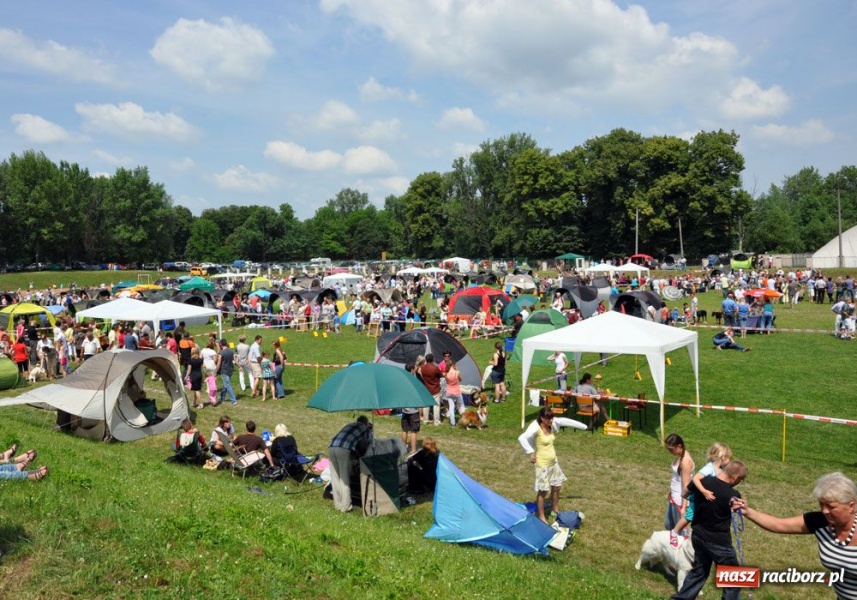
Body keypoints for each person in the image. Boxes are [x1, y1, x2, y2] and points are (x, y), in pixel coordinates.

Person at [731, 472, 857, 599]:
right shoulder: (820, 522)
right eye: (821, 504)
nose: (824, 511)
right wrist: (748, 512)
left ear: (851, 506)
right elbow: (778, 524)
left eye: (831, 506)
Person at [670, 460, 749, 600]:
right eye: (741, 480)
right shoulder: (733, 495)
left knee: (698, 572)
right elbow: (736, 510)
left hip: (698, 536)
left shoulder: (703, 482)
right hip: (719, 543)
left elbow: (685, 493)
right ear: (736, 477)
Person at [518, 407, 587, 523]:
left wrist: (584, 427)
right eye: (548, 418)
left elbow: (566, 421)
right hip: (542, 464)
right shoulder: (535, 427)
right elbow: (522, 438)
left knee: (557, 487)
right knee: (543, 491)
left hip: (553, 462)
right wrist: (531, 452)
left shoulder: (551, 423)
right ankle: (541, 516)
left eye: (552, 418)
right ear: (542, 418)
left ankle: (555, 510)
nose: (551, 420)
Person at [670, 442, 733, 548]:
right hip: (698, 496)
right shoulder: (709, 468)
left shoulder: (720, 470)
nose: (729, 461)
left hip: (706, 499)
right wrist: (704, 491)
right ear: (722, 457)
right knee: (690, 515)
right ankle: (674, 532)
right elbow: (695, 478)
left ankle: (688, 534)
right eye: (728, 458)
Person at [328, 416, 373, 513]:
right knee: (344, 479)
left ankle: (338, 504)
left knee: (335, 478)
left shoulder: (350, 425)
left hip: (332, 447)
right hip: (344, 449)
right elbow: (369, 444)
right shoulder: (366, 428)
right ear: (366, 423)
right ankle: (346, 506)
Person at [665, 433, 696, 534]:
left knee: (678, 531)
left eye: (671, 449)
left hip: (680, 500)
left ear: (679, 446)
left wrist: (683, 508)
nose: (669, 452)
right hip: (674, 497)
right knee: (668, 524)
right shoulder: (680, 455)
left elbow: (686, 487)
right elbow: (677, 478)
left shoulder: (685, 462)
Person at [401, 362, 422, 454]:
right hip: (413, 410)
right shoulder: (414, 381)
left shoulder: (402, 380)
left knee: (404, 430)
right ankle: (413, 450)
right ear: (412, 369)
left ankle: (402, 448)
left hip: (404, 410)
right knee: (414, 431)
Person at [418, 354, 443, 426]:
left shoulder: (422, 368)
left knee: (426, 405)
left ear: (426, 360)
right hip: (435, 389)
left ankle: (425, 420)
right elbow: (441, 376)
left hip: (426, 388)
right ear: (433, 360)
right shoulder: (435, 368)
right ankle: (436, 422)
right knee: (436, 406)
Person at [443, 358, 465, 427]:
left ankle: (452, 423)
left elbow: (447, 382)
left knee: (451, 407)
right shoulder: (457, 372)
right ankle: (464, 419)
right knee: (461, 405)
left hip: (449, 392)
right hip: (457, 392)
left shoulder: (446, 374)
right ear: (453, 365)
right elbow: (460, 380)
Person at [216, 339, 237, 406]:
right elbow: (235, 360)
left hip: (224, 370)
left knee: (228, 385)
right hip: (230, 370)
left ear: (221, 344)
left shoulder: (221, 353)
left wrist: (215, 371)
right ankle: (222, 397)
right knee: (225, 384)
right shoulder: (231, 351)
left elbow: (219, 363)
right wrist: (240, 367)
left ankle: (233, 400)